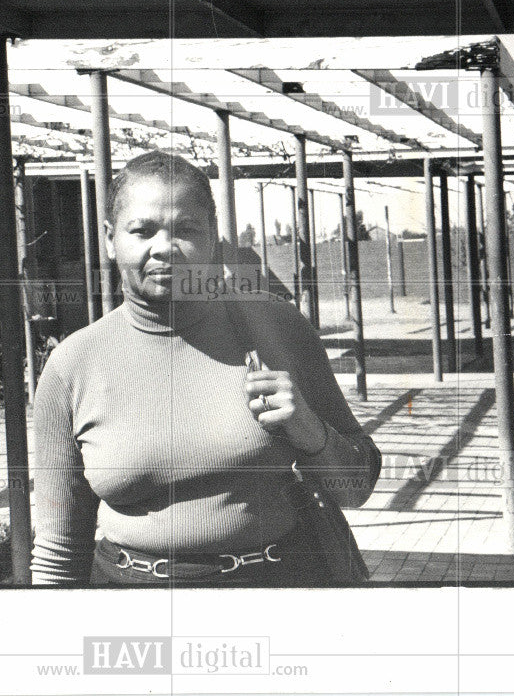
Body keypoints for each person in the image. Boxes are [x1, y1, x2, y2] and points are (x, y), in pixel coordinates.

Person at [30, 152, 381, 586]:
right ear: (109, 238)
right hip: (130, 602)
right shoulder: (72, 365)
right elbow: (58, 550)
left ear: (213, 237)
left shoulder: (278, 327)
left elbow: (356, 487)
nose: (163, 248)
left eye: (187, 230)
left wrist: (309, 430)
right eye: (141, 231)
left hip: (277, 590)